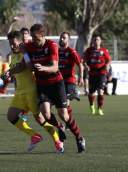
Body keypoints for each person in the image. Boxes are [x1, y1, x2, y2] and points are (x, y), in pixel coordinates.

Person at [20, 24, 86, 153]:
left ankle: (79, 138)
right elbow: (28, 64)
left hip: (56, 83)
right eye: (32, 37)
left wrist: (44, 68)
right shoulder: (30, 47)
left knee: (64, 115)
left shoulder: (52, 45)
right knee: (45, 114)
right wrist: (20, 56)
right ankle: (60, 127)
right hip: (42, 85)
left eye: (35, 37)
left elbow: (55, 67)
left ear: (42, 35)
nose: (33, 39)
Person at [4, 30, 64, 153]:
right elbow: (17, 70)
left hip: (31, 92)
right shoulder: (14, 54)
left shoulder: (27, 52)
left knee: (41, 120)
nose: (12, 46)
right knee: (10, 116)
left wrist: (11, 71)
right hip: (20, 93)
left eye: (14, 43)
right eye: (10, 43)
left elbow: (23, 67)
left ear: (20, 42)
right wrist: (9, 74)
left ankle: (57, 141)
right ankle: (34, 136)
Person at [58, 32, 83, 137]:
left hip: (69, 80)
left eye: (64, 38)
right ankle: (74, 94)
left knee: (66, 102)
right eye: (61, 37)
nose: (62, 39)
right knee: (61, 104)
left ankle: (68, 123)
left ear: (69, 40)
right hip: (59, 80)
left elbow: (80, 65)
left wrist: (81, 77)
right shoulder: (56, 52)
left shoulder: (72, 52)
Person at [83, 34, 111, 115]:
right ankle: (91, 105)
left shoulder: (104, 50)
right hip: (92, 73)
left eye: (98, 39)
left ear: (100, 41)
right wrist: (86, 66)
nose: (96, 41)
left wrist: (107, 65)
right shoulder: (89, 50)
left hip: (101, 73)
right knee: (91, 92)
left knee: (100, 91)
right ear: (92, 41)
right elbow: (84, 61)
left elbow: (109, 60)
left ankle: (100, 109)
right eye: (95, 39)